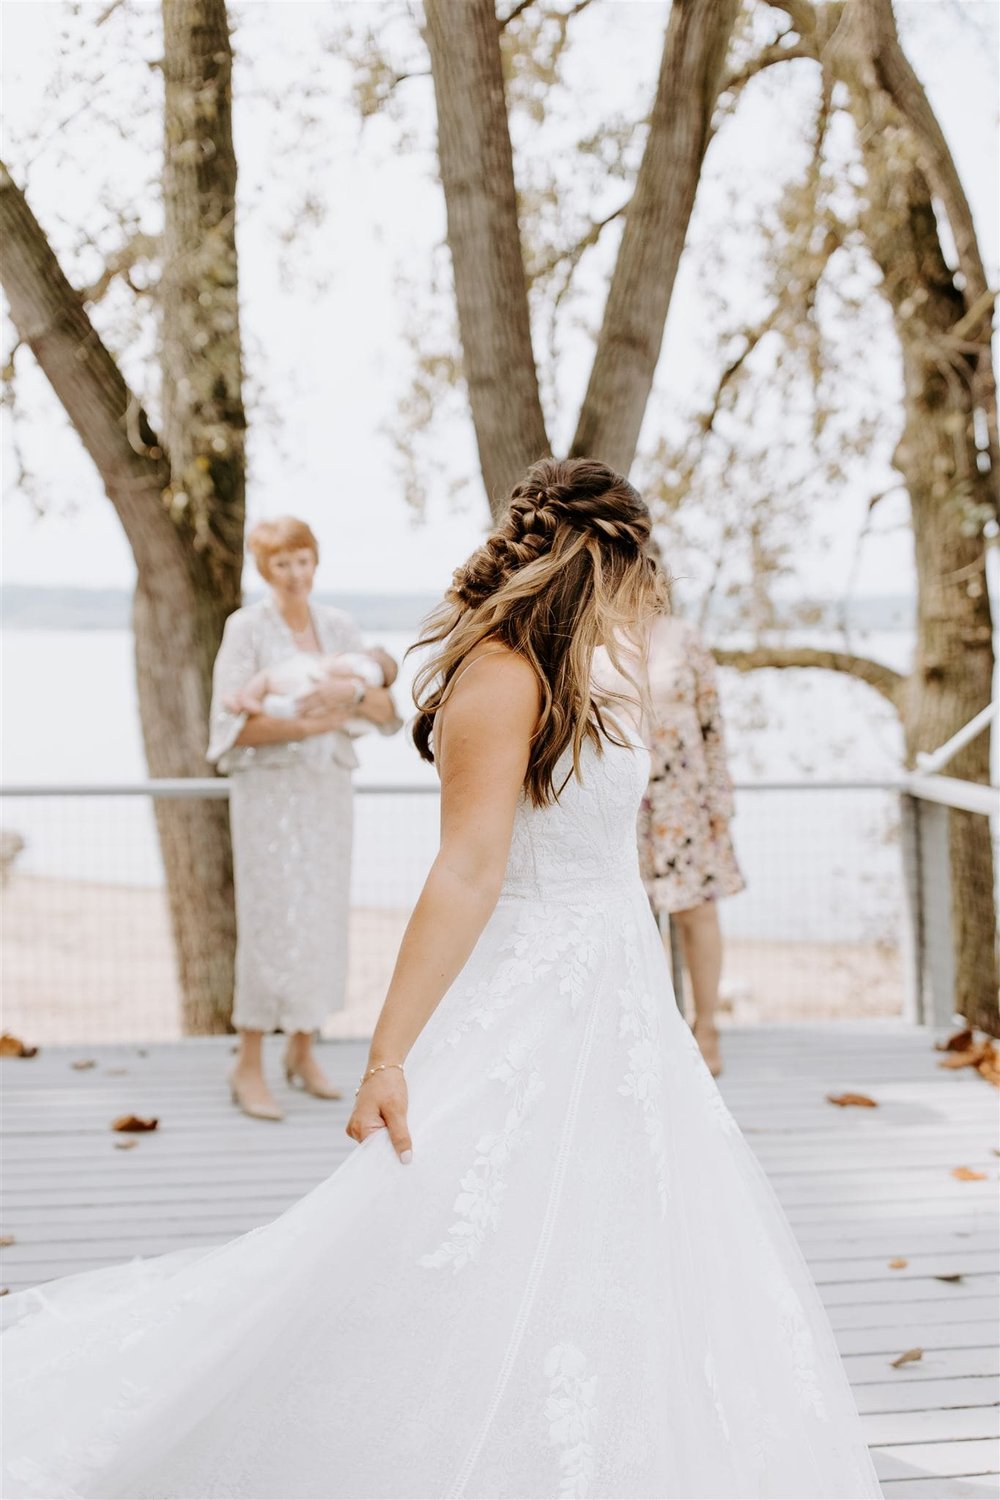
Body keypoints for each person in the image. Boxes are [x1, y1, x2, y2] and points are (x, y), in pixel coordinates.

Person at [0, 461, 881, 1500]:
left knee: (622, 1221)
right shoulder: (500, 677)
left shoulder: (599, 672)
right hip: (533, 987)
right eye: (640, 566)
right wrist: (388, 1056)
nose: (650, 591)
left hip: (624, 995)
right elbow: (466, 870)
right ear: (597, 556)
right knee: (457, 1218)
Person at [207, 516, 400, 1121]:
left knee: (320, 915)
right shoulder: (246, 630)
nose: (296, 574)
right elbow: (230, 724)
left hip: (327, 794)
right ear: (264, 569)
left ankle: (302, 1048)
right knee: (268, 920)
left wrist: (345, 697)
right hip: (268, 795)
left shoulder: (341, 628)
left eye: (304, 560)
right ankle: (249, 1061)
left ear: (317, 562)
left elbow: (387, 711)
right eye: (282, 563)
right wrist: (306, 722)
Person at [638, 613, 745, 1077]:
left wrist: (720, 798)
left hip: (684, 798)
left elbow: (712, 724)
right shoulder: (597, 633)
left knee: (697, 911)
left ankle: (707, 1029)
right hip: (627, 799)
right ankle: (647, 1030)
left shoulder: (684, 637)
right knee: (634, 915)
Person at [226, 644, 402, 739]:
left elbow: (390, 719)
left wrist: (351, 690)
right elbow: (226, 731)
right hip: (310, 704)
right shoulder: (245, 623)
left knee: (269, 679)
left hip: (309, 685)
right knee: (285, 703)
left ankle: (248, 700)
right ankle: (255, 704)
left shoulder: (365, 665)